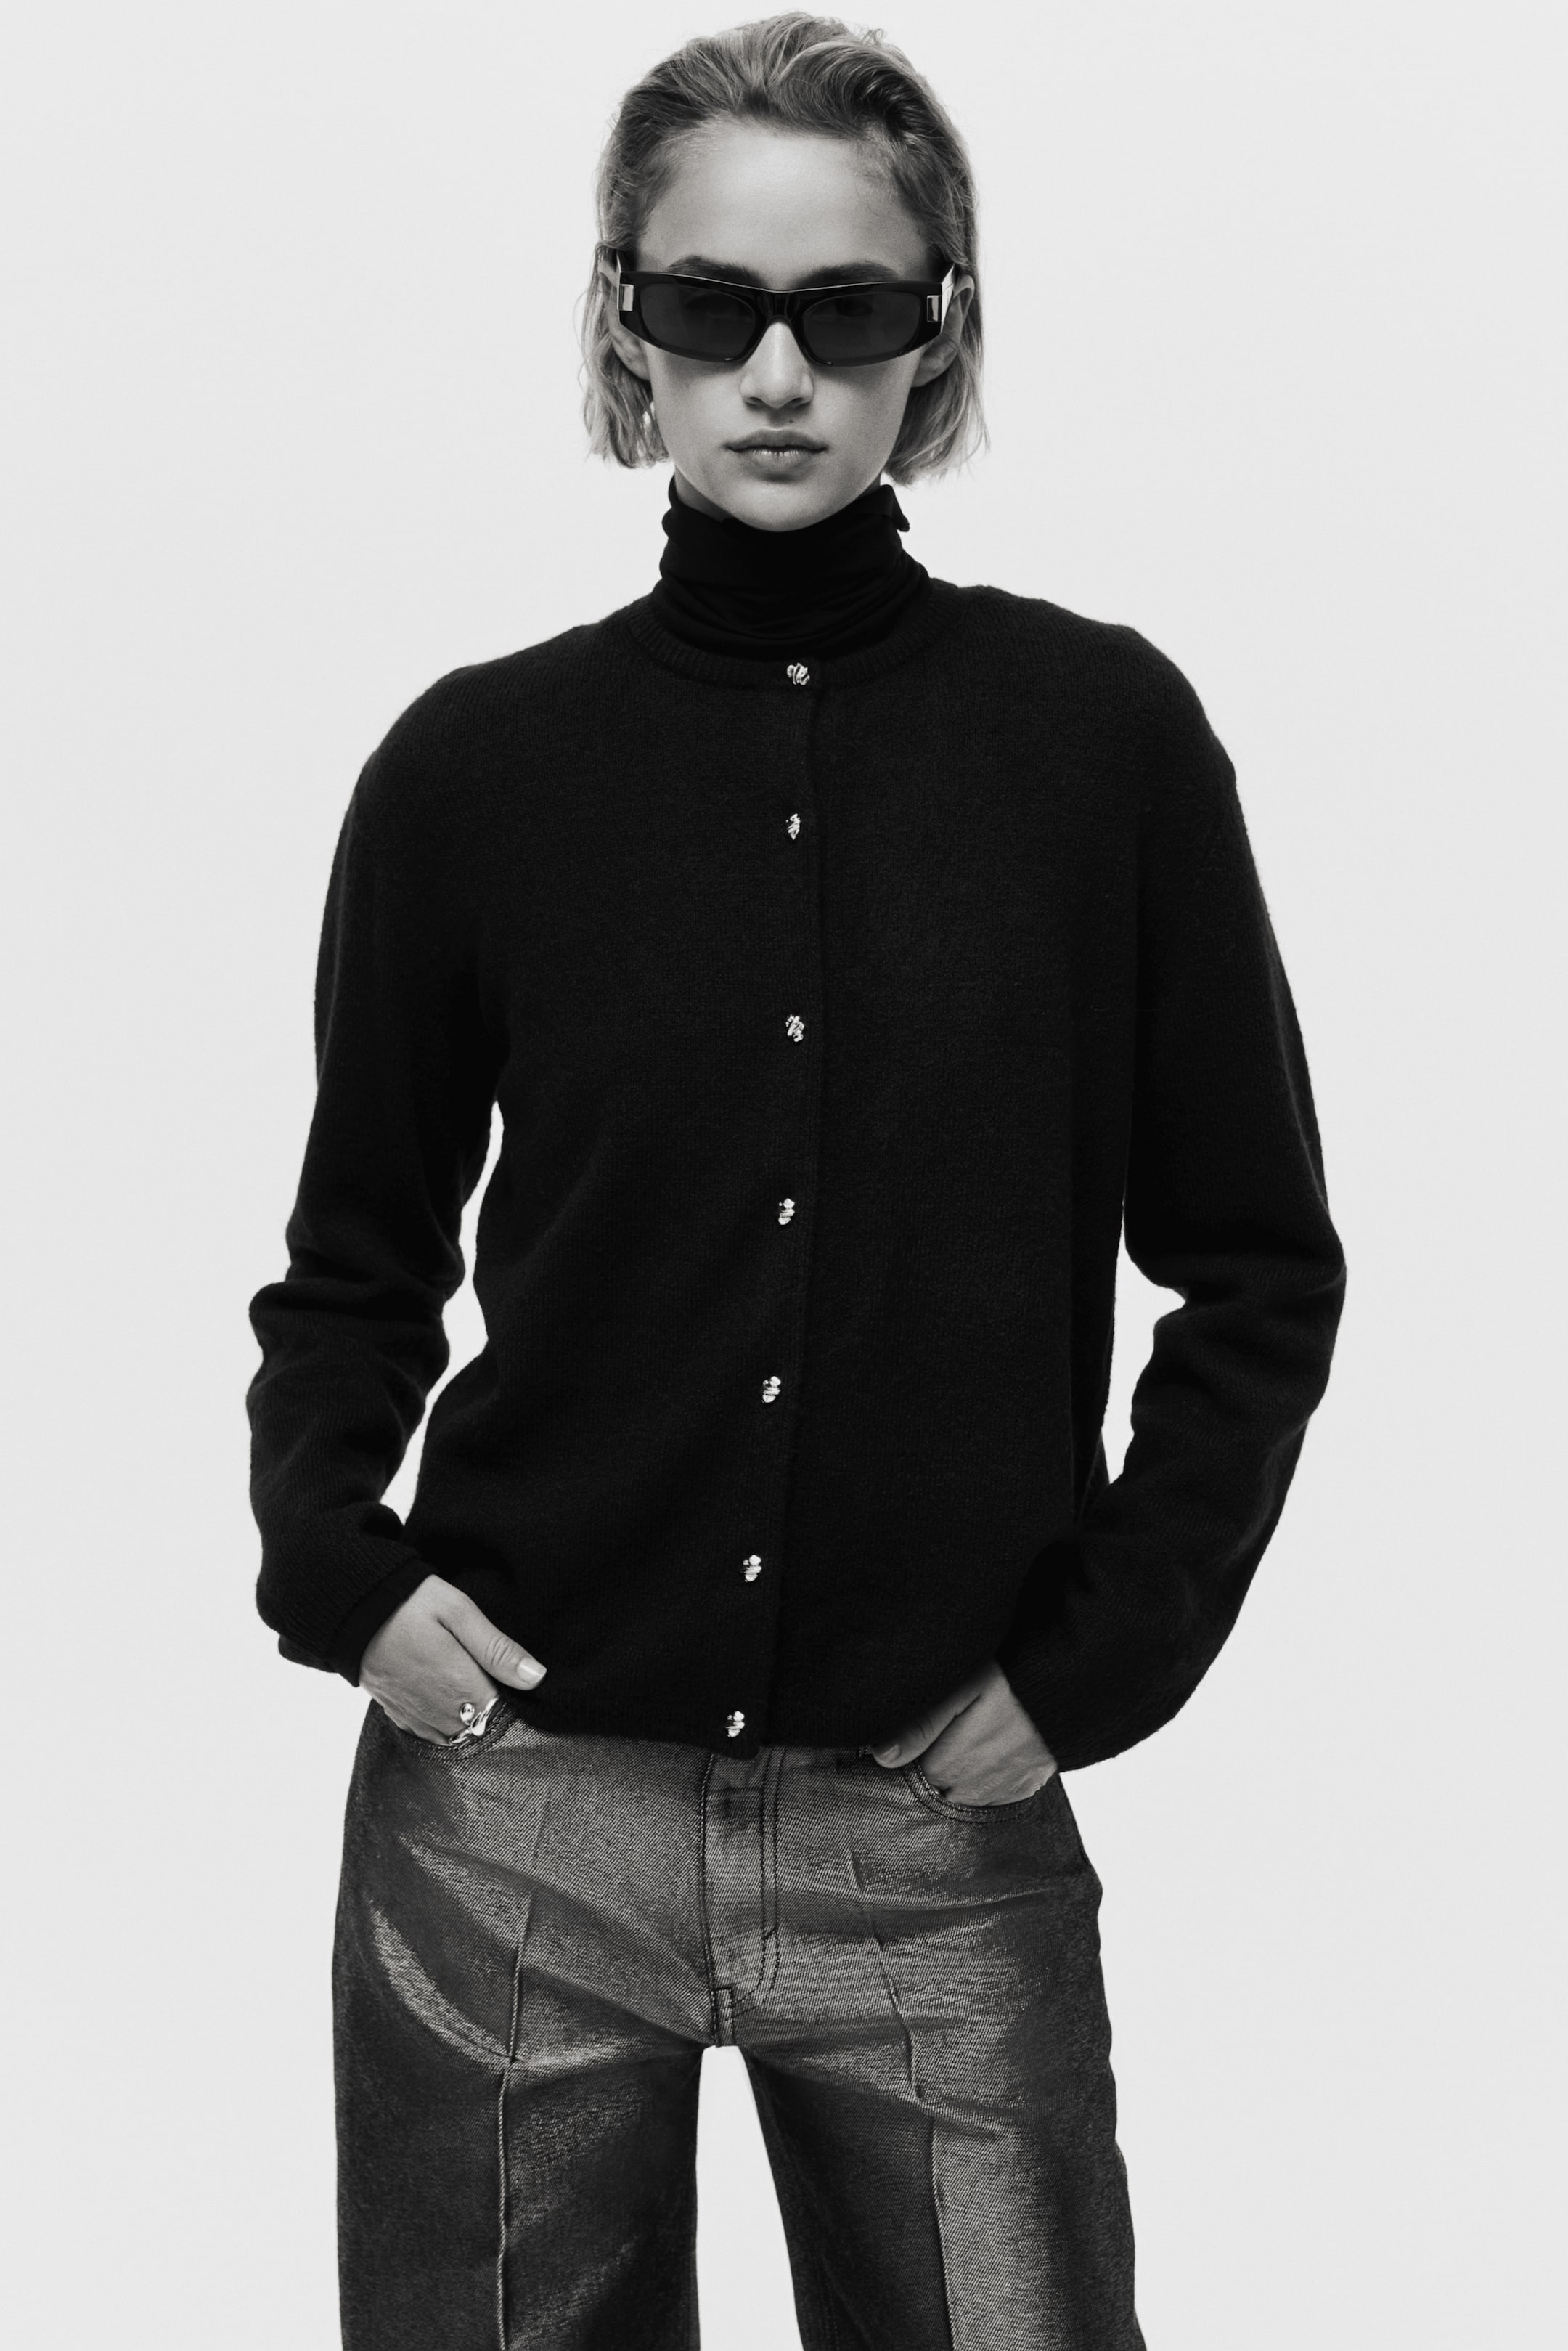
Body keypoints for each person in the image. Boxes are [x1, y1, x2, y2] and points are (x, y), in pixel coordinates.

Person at [247, 15, 1346, 2347]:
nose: (774, 374)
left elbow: (1258, 1269)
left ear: (938, 331)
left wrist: (1100, 1656)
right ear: (619, 322)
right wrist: (341, 1565)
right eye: (707, 305)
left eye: (846, 311)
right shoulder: (474, 770)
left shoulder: (1102, 747)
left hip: (932, 1823)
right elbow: (353, 1264)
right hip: (516, 1815)